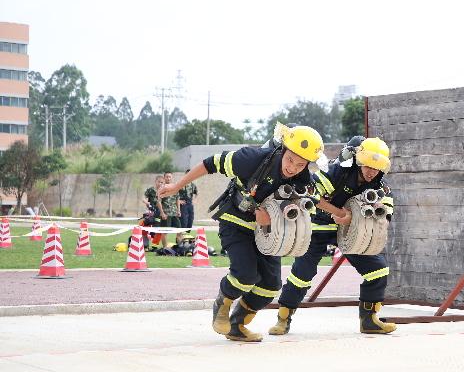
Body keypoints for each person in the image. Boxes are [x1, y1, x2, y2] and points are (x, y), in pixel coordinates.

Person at [159, 124, 324, 342]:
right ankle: (222, 304)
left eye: (300, 164)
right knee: (245, 274)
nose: (292, 168)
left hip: (265, 233)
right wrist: (177, 186)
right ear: (283, 150)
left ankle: (237, 325)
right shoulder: (253, 158)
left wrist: (339, 213)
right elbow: (210, 164)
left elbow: (316, 198)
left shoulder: (302, 178)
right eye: (290, 160)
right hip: (235, 222)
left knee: (270, 285)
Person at [268, 136, 396, 335]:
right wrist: (339, 213)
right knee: (303, 273)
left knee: (378, 270)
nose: (372, 172)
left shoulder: (380, 184)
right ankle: (283, 318)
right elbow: (312, 195)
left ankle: (369, 320)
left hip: (352, 231)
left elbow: (386, 213)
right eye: (368, 166)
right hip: (320, 224)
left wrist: (371, 217)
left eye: (377, 168)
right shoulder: (338, 171)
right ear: (359, 160)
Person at [143, 175, 165, 248]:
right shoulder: (150, 190)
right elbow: (144, 198)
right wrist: (146, 202)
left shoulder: (164, 190)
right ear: (155, 182)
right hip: (151, 211)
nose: (160, 184)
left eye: (162, 182)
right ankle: (145, 244)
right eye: (159, 182)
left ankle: (154, 245)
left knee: (157, 228)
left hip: (159, 212)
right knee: (145, 225)